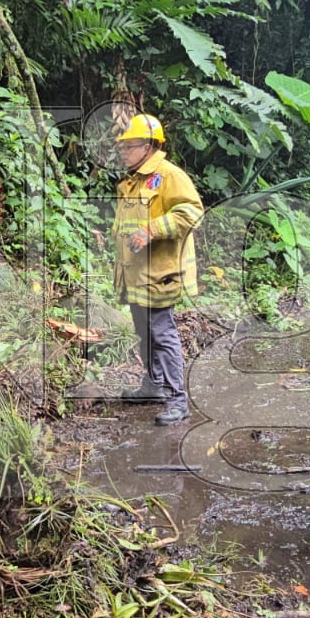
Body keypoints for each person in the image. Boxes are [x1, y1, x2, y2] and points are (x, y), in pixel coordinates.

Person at [111, 113, 204, 425]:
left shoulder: (168, 175)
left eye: (130, 146)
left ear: (149, 146)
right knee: (143, 331)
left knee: (162, 333)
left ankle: (178, 400)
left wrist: (152, 230)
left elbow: (192, 211)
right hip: (136, 274)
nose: (123, 151)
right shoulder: (132, 180)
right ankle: (153, 385)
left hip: (160, 275)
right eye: (122, 146)